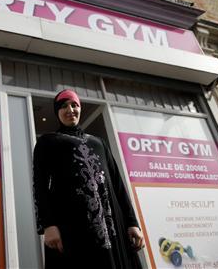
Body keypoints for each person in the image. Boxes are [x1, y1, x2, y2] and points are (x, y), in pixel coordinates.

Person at [33, 89, 145, 268]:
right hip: (73, 226)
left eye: (74, 105)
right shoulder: (48, 142)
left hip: (111, 224)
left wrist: (132, 222)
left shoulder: (98, 142)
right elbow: (39, 185)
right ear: (57, 112)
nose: (70, 110)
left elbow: (117, 184)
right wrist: (48, 225)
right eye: (63, 106)